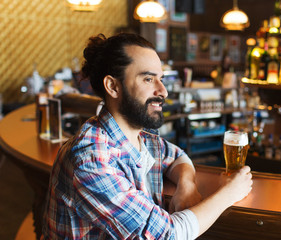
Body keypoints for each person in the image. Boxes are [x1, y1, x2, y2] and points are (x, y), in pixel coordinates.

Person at [42, 33, 253, 239]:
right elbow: (168, 235)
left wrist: (186, 184)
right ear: (113, 86)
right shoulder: (92, 160)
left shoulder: (140, 136)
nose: (163, 91)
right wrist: (229, 193)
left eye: (160, 79)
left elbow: (177, 156)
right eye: (148, 79)